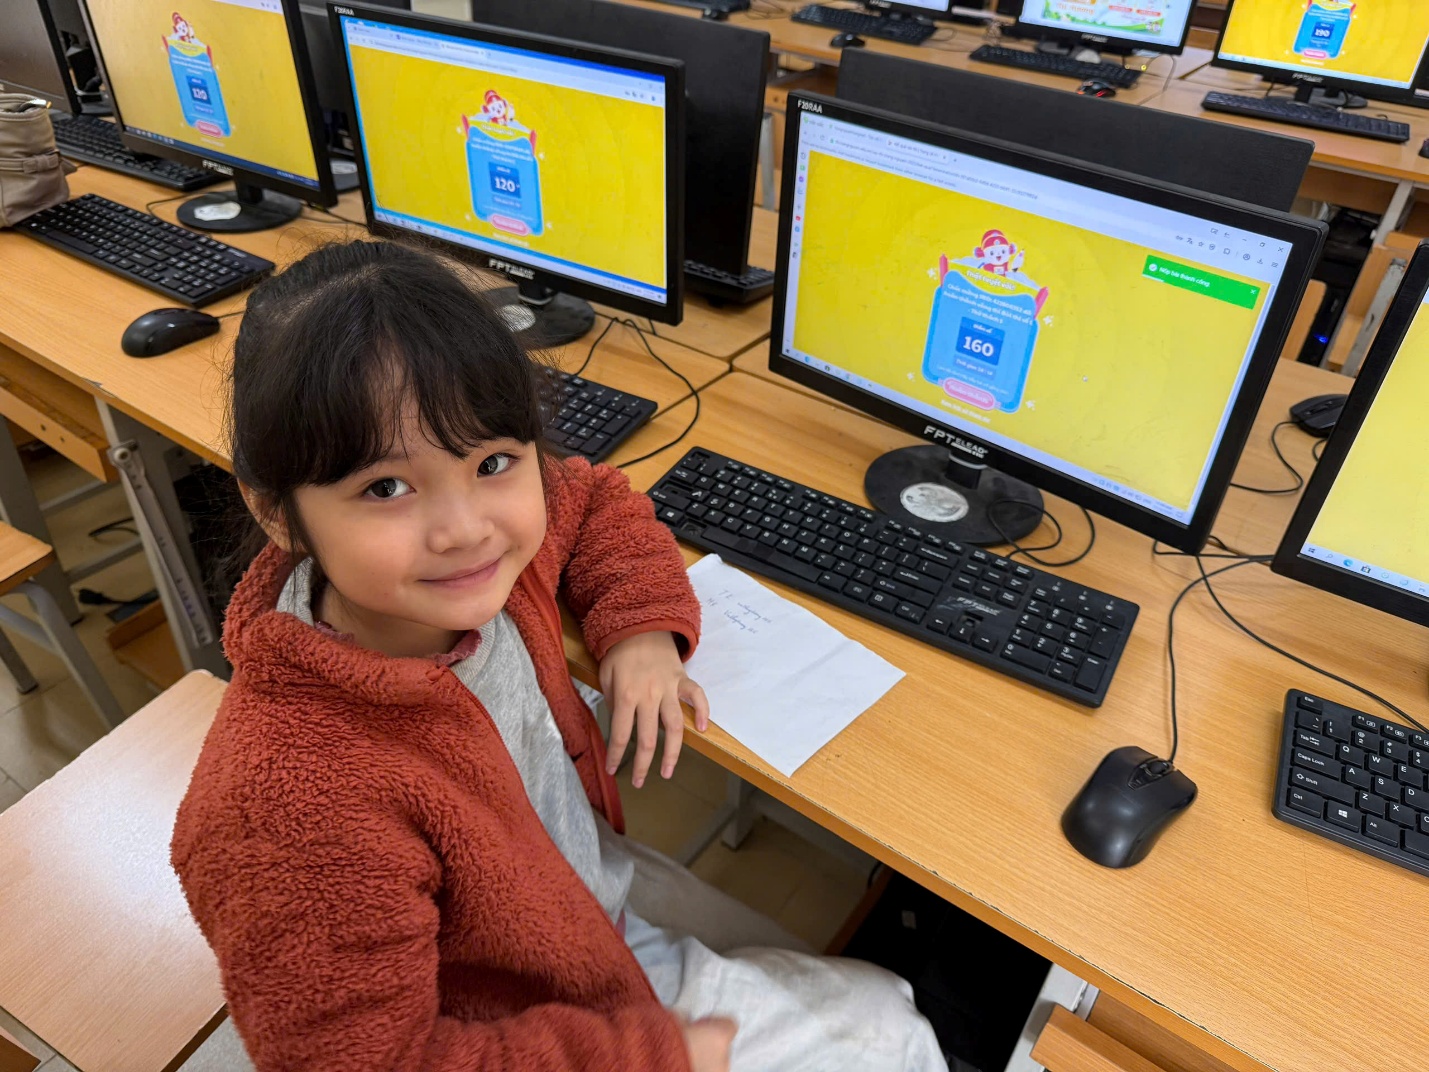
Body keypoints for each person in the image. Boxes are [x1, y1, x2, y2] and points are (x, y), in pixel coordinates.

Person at [171, 239, 948, 1072]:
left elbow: (594, 497)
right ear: (278, 513)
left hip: (566, 887)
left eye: (492, 461)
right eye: (386, 489)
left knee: (873, 992)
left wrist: (642, 629)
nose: (467, 527)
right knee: (892, 1032)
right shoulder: (286, 812)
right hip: (523, 1007)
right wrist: (648, 1055)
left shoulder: (461, 574)